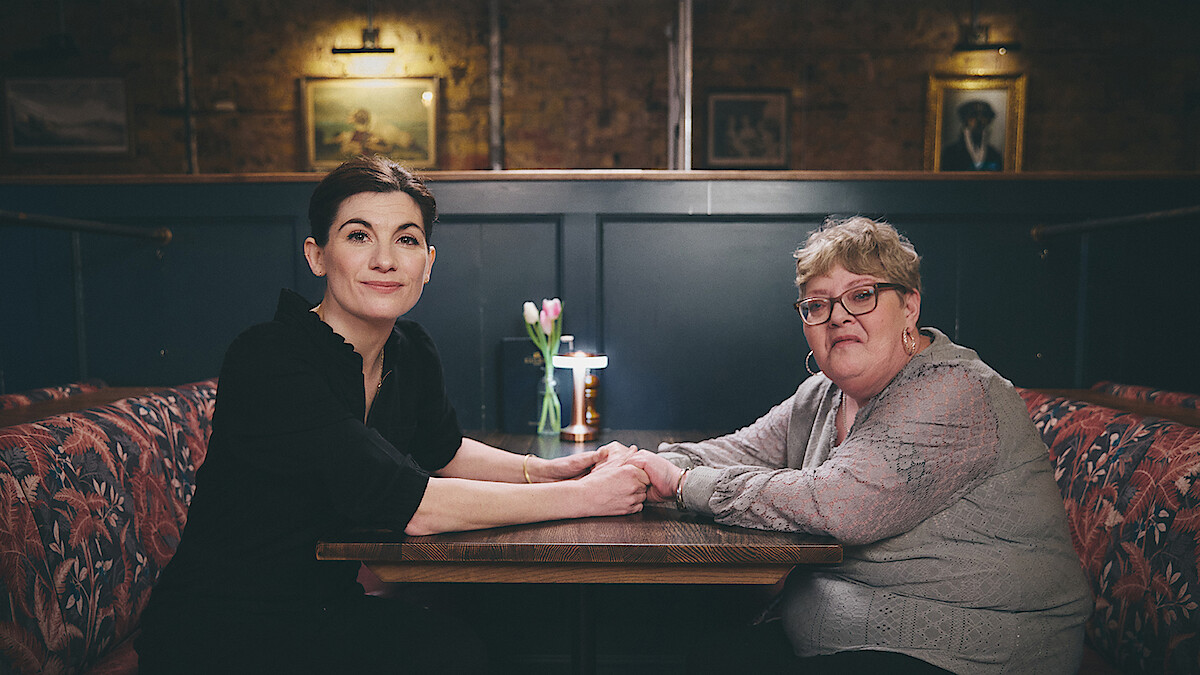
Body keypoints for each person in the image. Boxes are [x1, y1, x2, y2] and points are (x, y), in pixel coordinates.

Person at [135, 155, 649, 674]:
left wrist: (551, 471)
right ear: (317, 255)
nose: (385, 260)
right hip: (219, 629)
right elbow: (415, 508)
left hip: (322, 609)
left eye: (405, 239)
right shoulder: (269, 359)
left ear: (428, 262)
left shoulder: (410, 349)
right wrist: (585, 497)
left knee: (459, 646)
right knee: (451, 655)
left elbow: (444, 451)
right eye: (359, 236)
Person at [607, 216, 1091, 674]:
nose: (838, 317)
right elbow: (738, 451)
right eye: (817, 305)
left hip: (969, 652)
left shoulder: (956, 391)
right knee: (683, 650)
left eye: (861, 295)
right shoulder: (823, 394)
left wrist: (682, 484)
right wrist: (643, 466)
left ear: (909, 307)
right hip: (841, 640)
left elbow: (838, 505)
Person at [940, 100, 1004, 171]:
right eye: (973, 115)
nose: (979, 120)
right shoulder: (950, 153)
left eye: (984, 115)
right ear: (964, 119)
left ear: (989, 120)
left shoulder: (994, 154)